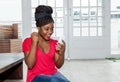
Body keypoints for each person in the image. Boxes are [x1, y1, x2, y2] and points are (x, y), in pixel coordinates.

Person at [22, 5, 70, 82]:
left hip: (53, 74)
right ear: (38, 27)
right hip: (35, 77)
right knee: (53, 80)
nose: (50, 32)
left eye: (52, 29)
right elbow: (30, 65)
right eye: (46, 29)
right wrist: (34, 43)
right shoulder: (28, 42)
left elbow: (59, 65)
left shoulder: (54, 43)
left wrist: (62, 53)